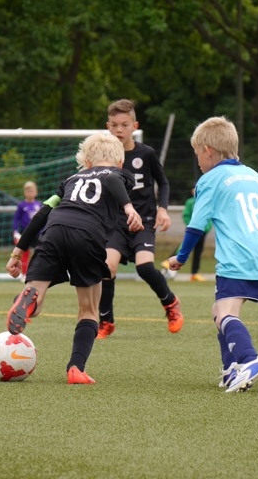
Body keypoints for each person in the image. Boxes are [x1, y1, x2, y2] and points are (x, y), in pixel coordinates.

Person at [167, 116, 258, 393]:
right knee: (221, 310)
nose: (198, 161)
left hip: (238, 256)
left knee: (224, 312)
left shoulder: (210, 179)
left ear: (208, 150)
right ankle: (230, 371)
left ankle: (249, 358)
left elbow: (196, 226)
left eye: (197, 154)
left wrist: (181, 258)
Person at [4, 133, 143, 385]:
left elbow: (42, 214)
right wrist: (128, 207)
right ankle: (76, 368)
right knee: (89, 310)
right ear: (121, 162)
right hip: (87, 235)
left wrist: (17, 253)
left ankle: (27, 299)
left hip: (53, 231)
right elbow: (112, 179)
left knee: (36, 297)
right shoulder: (118, 174)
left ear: (86, 162)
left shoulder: (71, 179)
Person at [97, 99, 184, 339]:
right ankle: (106, 321)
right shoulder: (105, 157)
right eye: (114, 125)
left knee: (145, 267)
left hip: (144, 220)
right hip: (116, 222)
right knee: (106, 267)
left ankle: (170, 302)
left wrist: (163, 209)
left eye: (124, 125)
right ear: (107, 126)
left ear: (134, 126)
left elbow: (163, 182)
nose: (119, 130)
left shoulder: (146, 154)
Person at [162, 186, 213, 282]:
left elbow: (210, 217)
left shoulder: (207, 201)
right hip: (193, 229)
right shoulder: (190, 202)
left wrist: (206, 228)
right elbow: (186, 215)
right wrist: (192, 225)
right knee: (185, 246)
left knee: (198, 252)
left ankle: (194, 273)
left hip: (203, 231)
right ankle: (169, 261)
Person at [12, 181, 43, 279]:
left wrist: (43, 231)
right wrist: (15, 231)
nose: (30, 193)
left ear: (36, 192)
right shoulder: (21, 205)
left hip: (37, 233)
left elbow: (43, 219)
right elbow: (16, 219)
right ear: (25, 192)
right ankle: (24, 274)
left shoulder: (39, 205)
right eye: (28, 191)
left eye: (32, 191)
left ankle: (39, 273)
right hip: (25, 233)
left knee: (40, 252)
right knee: (24, 254)